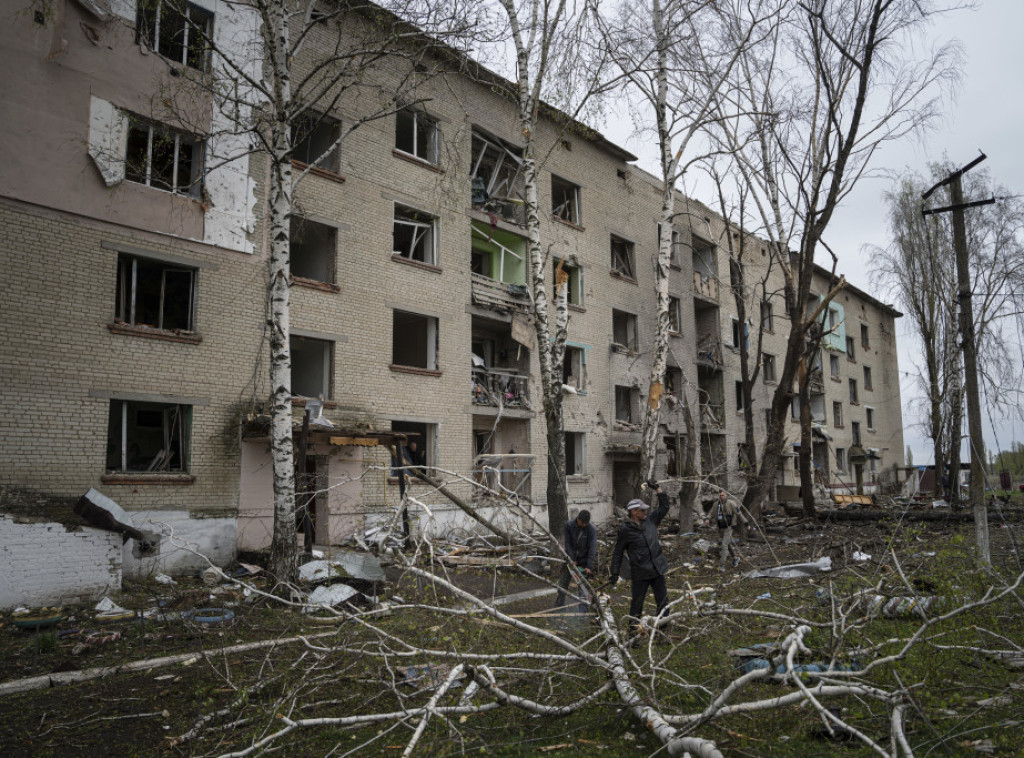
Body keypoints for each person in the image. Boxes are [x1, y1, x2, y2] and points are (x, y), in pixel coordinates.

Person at [609, 483, 671, 632]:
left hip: (657, 569)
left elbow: (664, 507)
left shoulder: (650, 521)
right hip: (640, 572)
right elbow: (618, 552)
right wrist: (614, 572)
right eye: (642, 510)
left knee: (663, 603)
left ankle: (662, 632)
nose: (645, 511)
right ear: (634, 512)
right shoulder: (625, 529)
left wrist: (657, 489)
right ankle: (633, 634)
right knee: (637, 604)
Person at [554, 510, 597, 609]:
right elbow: (568, 543)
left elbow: (592, 548)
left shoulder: (591, 530)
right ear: (578, 519)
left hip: (583, 561)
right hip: (569, 560)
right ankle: (559, 605)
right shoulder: (569, 525)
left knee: (582, 587)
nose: (584, 525)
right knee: (563, 583)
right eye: (582, 522)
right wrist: (572, 558)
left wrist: (589, 566)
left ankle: (582, 608)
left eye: (586, 523)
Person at [714, 490, 747, 571]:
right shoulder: (716, 504)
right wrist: (707, 518)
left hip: (729, 527)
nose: (721, 497)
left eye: (723, 495)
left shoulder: (731, 503)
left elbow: (739, 514)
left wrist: (746, 523)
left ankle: (721, 565)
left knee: (724, 544)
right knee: (726, 543)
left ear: (726, 496)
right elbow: (711, 512)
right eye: (720, 495)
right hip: (720, 527)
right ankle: (735, 558)